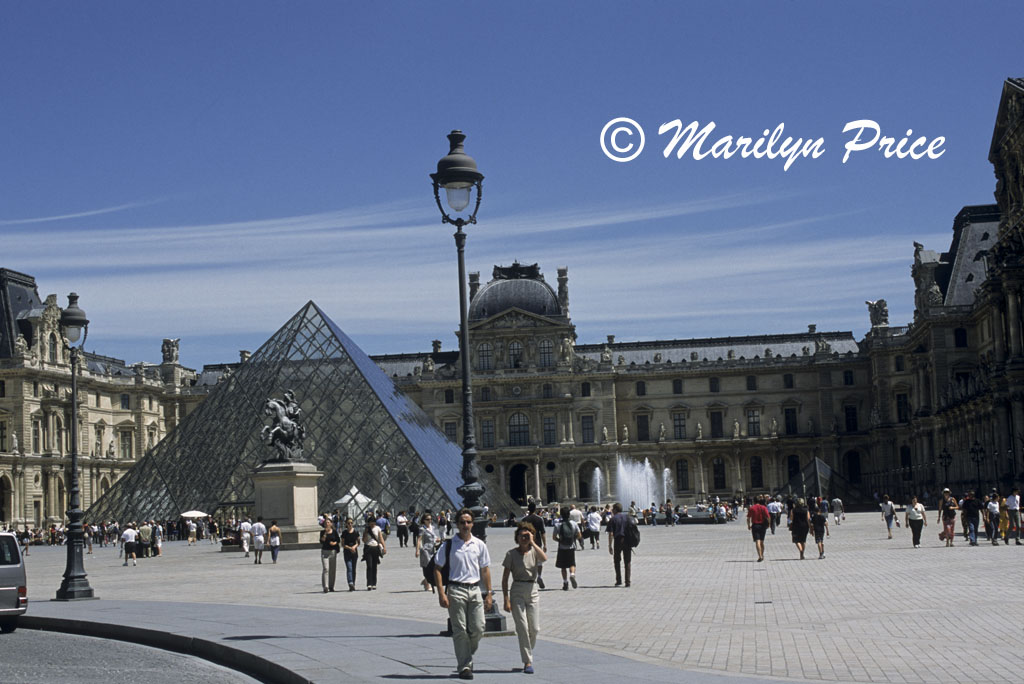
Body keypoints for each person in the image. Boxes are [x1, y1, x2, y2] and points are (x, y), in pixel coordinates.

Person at [434, 508, 493, 681]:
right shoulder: (449, 544)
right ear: (457, 524)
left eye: (468, 522)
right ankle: (465, 666)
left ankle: (465, 653)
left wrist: (489, 593)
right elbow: (437, 569)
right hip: (455, 589)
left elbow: (485, 570)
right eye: (462, 522)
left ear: (473, 524)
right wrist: (440, 593)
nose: (465, 525)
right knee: (460, 631)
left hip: (475, 590)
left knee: (479, 627)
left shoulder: (479, 544)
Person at [502, 522, 547, 675]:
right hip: (517, 590)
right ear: (517, 537)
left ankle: (526, 649)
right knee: (522, 627)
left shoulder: (534, 552)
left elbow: (544, 558)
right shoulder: (511, 554)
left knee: (534, 629)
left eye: (527, 535)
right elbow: (505, 578)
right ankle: (527, 661)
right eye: (521, 535)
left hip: (532, 589)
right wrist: (505, 598)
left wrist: (533, 542)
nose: (524, 538)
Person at [553, 507, 580, 590]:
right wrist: (573, 539)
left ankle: (565, 582)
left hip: (562, 547)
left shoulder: (558, 524)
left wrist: (560, 541)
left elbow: (554, 537)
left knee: (563, 566)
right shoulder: (574, 524)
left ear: (561, 515)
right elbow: (579, 535)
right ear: (569, 514)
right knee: (572, 563)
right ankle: (572, 574)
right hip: (571, 547)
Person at [522, 501, 548, 590]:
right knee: (539, 562)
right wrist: (545, 544)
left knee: (528, 561)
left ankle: (530, 578)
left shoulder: (524, 520)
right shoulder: (539, 519)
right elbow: (543, 533)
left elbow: (521, 533)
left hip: (526, 543)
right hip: (537, 543)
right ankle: (539, 576)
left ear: (528, 509)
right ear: (535, 509)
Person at [607, 502, 632, 587]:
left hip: (618, 541)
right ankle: (627, 582)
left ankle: (619, 580)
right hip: (627, 541)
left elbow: (611, 534)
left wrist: (610, 545)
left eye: (613, 509)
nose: (612, 511)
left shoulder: (613, 519)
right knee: (627, 561)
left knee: (617, 561)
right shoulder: (627, 517)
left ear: (615, 510)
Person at [415, 512, 441, 593]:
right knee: (427, 567)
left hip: (432, 549)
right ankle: (427, 585)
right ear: (424, 520)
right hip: (425, 550)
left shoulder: (432, 527)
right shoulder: (422, 529)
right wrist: (417, 550)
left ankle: (425, 581)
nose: (430, 521)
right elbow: (419, 540)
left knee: (432, 567)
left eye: (430, 519)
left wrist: (438, 539)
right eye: (427, 519)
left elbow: (434, 537)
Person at [363, 517, 386, 591]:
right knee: (369, 566)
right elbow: (364, 540)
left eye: (373, 523)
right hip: (368, 548)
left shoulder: (378, 528)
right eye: (371, 523)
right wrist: (366, 532)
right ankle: (369, 583)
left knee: (374, 566)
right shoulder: (367, 529)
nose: (372, 524)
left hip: (375, 548)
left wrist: (384, 547)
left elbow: (380, 538)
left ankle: (374, 583)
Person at [746, 495, 770, 562]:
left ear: (753, 501)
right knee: (762, 541)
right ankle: (762, 555)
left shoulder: (752, 508)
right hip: (763, 526)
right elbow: (768, 517)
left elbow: (748, 518)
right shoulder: (763, 507)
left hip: (755, 525)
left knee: (757, 541)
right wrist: (769, 524)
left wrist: (748, 525)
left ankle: (759, 556)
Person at [340, 517, 360, 591]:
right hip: (347, 552)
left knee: (354, 568)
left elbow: (358, 542)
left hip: (354, 552)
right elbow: (342, 544)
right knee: (349, 568)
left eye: (351, 523)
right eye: (348, 523)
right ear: (346, 524)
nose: (350, 524)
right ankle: (350, 582)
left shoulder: (356, 532)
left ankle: (353, 583)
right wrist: (349, 548)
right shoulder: (344, 533)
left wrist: (354, 547)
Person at [320, 519, 340, 592]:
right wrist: (325, 533)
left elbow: (338, 540)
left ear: (331, 524)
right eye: (326, 523)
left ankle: (331, 586)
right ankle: (325, 586)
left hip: (332, 552)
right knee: (326, 569)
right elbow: (321, 541)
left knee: (332, 570)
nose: (327, 524)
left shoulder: (334, 532)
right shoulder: (322, 532)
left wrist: (334, 543)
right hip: (324, 552)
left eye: (328, 522)